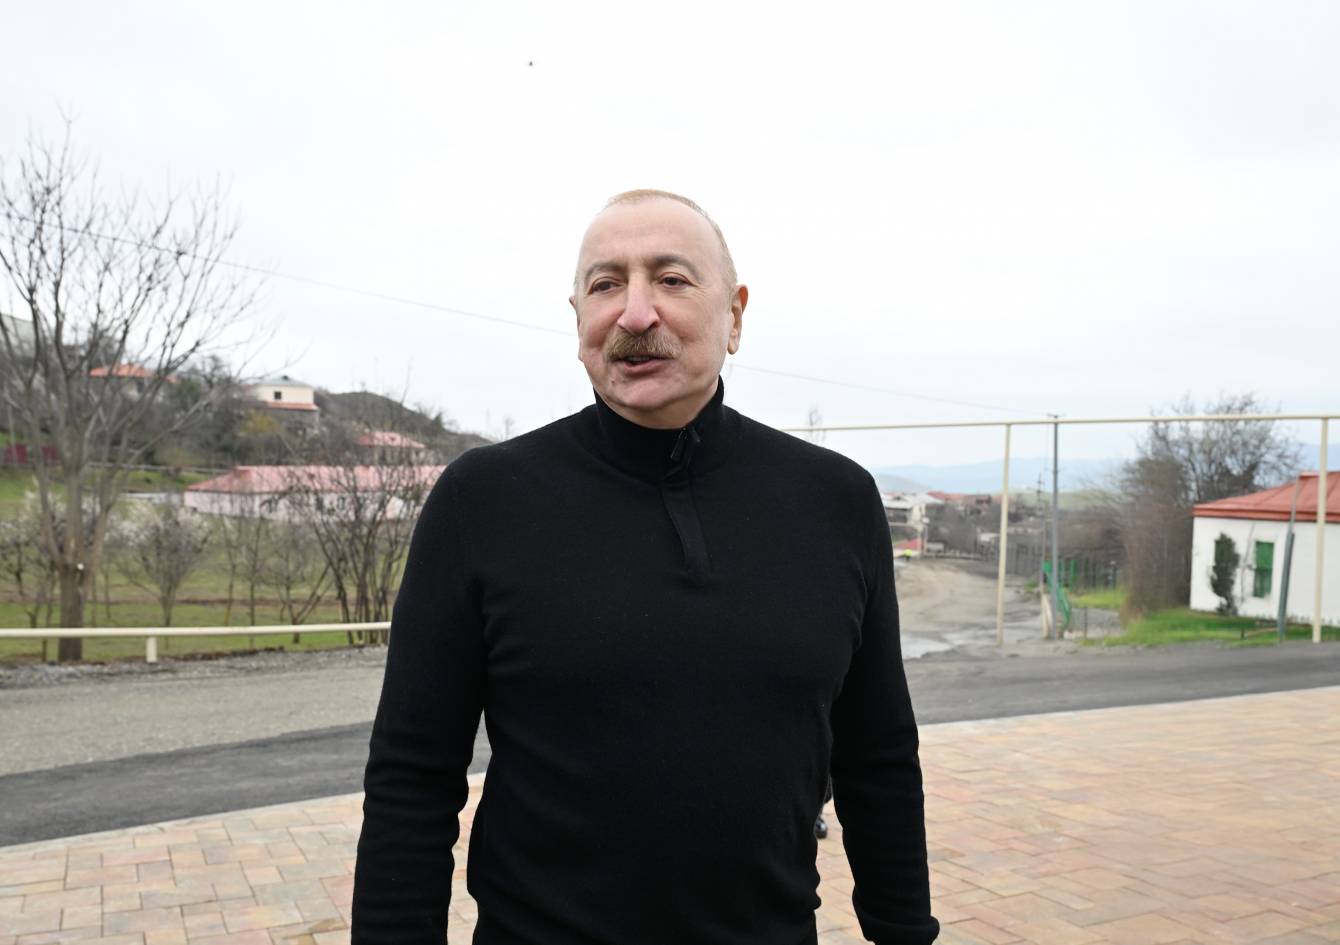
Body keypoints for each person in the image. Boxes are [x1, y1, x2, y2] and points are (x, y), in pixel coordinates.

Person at [352, 190, 939, 945]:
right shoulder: (484, 500)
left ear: (735, 315)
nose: (634, 313)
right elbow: (412, 773)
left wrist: (903, 931)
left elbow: (878, 754)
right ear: (578, 319)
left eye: (671, 278)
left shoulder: (835, 500)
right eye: (606, 284)